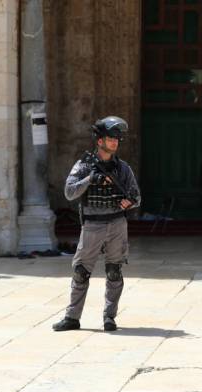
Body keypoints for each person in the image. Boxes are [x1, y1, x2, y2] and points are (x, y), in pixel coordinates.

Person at [52, 116, 141, 332]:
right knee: (81, 271)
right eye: (111, 138)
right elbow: (69, 192)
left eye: (117, 139)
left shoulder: (123, 168)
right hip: (93, 226)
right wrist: (90, 179)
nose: (115, 142)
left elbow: (137, 197)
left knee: (114, 271)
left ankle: (109, 317)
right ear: (99, 140)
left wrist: (129, 202)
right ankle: (72, 317)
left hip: (117, 224)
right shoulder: (84, 165)